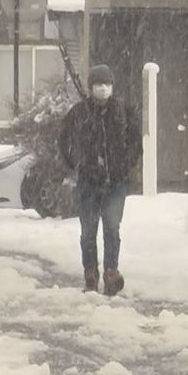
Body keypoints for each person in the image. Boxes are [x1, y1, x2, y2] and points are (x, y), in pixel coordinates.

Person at [58, 64, 142, 295]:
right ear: (91, 87)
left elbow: (135, 142)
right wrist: (77, 165)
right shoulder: (79, 113)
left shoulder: (124, 112)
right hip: (88, 183)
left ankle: (111, 271)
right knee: (88, 231)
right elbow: (64, 140)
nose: (103, 89)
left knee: (112, 228)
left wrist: (124, 165)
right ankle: (90, 274)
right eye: (98, 85)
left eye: (106, 84)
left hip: (116, 183)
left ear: (112, 86)